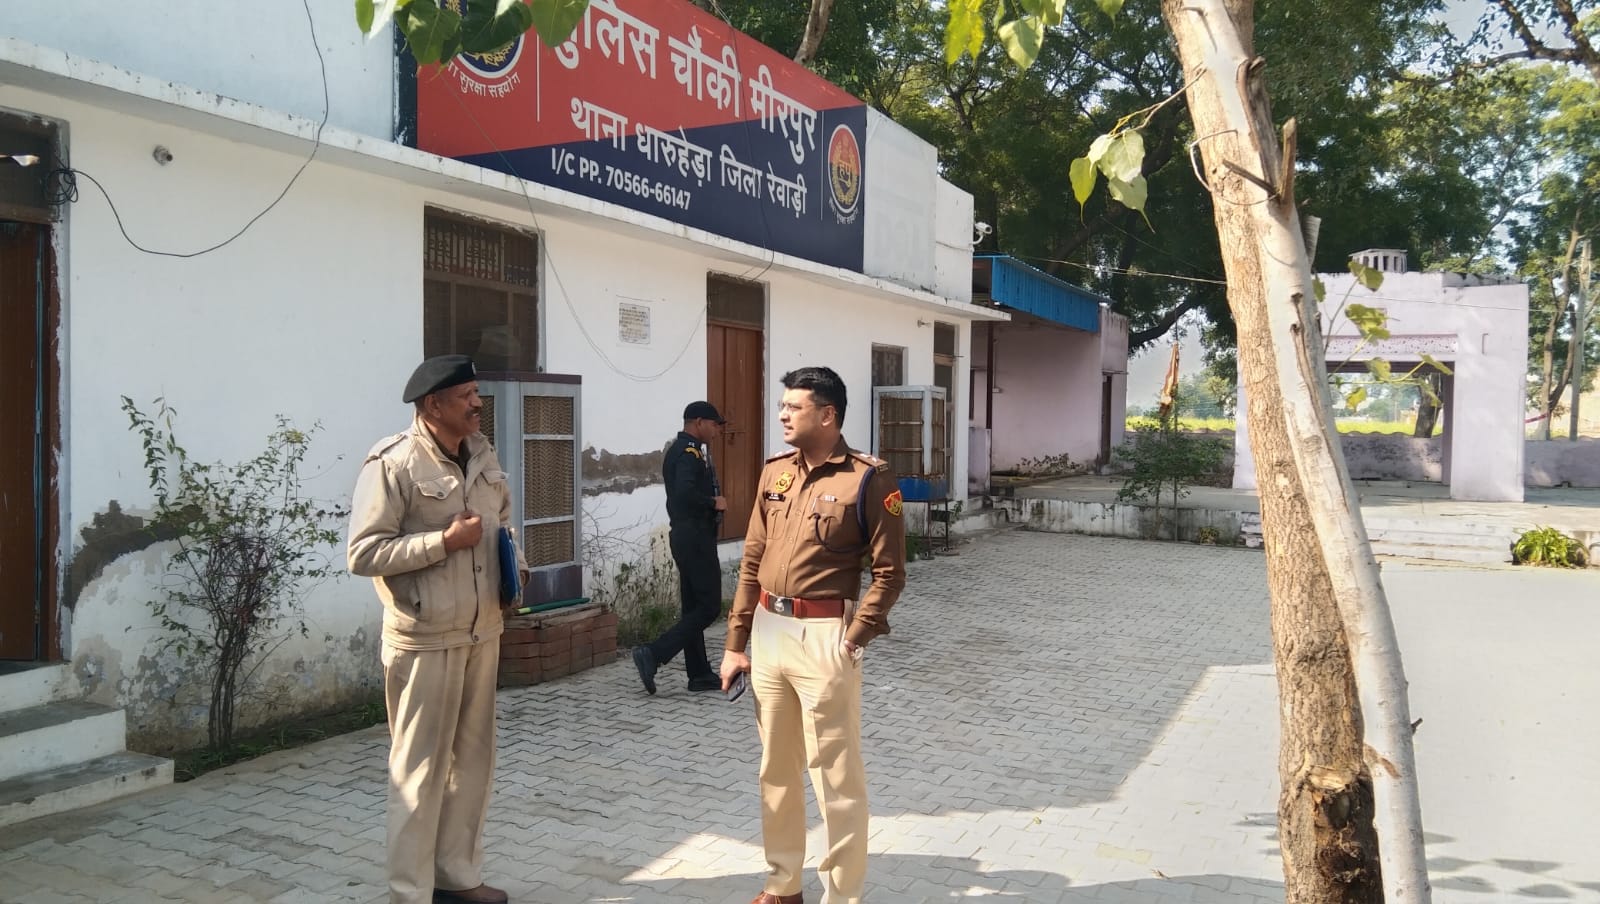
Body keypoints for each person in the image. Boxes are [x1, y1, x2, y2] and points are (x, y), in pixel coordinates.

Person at [719, 366, 907, 904]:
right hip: (769, 632)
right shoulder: (774, 473)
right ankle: (783, 886)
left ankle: (842, 896)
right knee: (775, 770)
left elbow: (890, 572)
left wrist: (855, 637)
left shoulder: (868, 479)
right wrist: (735, 644)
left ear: (827, 415)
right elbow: (752, 561)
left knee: (835, 779)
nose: (782, 414)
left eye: (794, 407)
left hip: (825, 635)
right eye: (782, 406)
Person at [348, 354, 525, 904]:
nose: (478, 403)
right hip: (424, 639)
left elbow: (503, 522)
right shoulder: (393, 463)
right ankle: (410, 893)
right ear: (433, 405)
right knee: (418, 772)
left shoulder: (483, 453)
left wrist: (515, 572)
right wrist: (442, 543)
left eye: (476, 392)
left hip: (481, 631)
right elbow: (364, 553)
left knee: (472, 764)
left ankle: (457, 876)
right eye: (466, 395)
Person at [633, 401, 729, 695]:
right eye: (714, 425)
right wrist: (713, 502)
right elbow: (685, 493)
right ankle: (654, 653)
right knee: (710, 607)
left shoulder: (686, 450)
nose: (716, 431)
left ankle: (699, 674)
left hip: (688, 536)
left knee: (693, 608)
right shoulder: (687, 453)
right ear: (699, 422)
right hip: (695, 537)